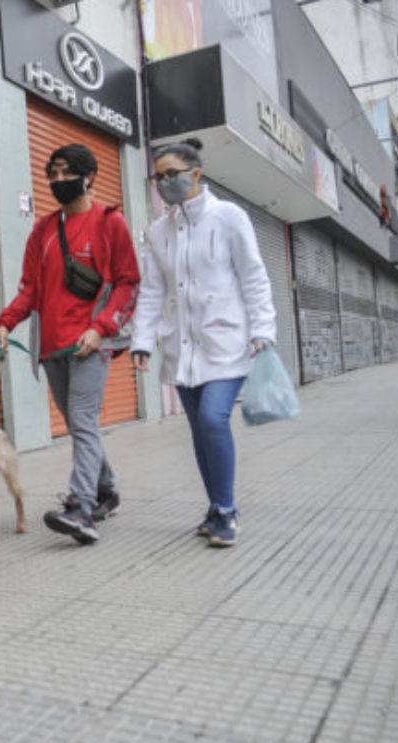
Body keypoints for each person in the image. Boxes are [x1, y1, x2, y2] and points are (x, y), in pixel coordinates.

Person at [130, 138, 276, 548]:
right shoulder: (159, 231)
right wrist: (142, 340)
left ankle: (227, 511)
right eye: (158, 177)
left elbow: (253, 275)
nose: (164, 183)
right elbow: (152, 291)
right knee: (198, 430)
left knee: (214, 419)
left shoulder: (228, 217)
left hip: (226, 341)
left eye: (171, 174)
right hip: (181, 347)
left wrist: (263, 328)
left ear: (196, 174)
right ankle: (215, 507)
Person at [0, 144, 141, 545]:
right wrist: (7, 322)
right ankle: (107, 489)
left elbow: (128, 282)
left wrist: (101, 327)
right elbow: (30, 289)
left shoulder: (110, 223)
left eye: (66, 172)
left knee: (81, 417)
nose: (58, 180)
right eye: (52, 173)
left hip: (92, 343)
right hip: (53, 347)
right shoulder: (43, 230)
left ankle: (82, 508)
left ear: (89, 175)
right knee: (80, 424)